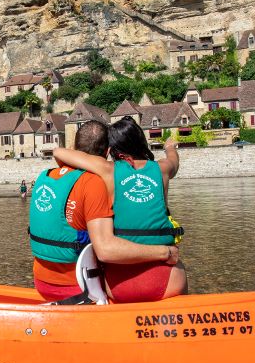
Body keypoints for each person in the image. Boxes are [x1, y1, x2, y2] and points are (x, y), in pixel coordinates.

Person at [29, 120, 180, 303]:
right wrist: (170, 147)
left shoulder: (107, 171)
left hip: (115, 284)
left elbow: (58, 151)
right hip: (166, 277)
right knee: (177, 264)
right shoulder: (163, 169)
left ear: (111, 151)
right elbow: (174, 161)